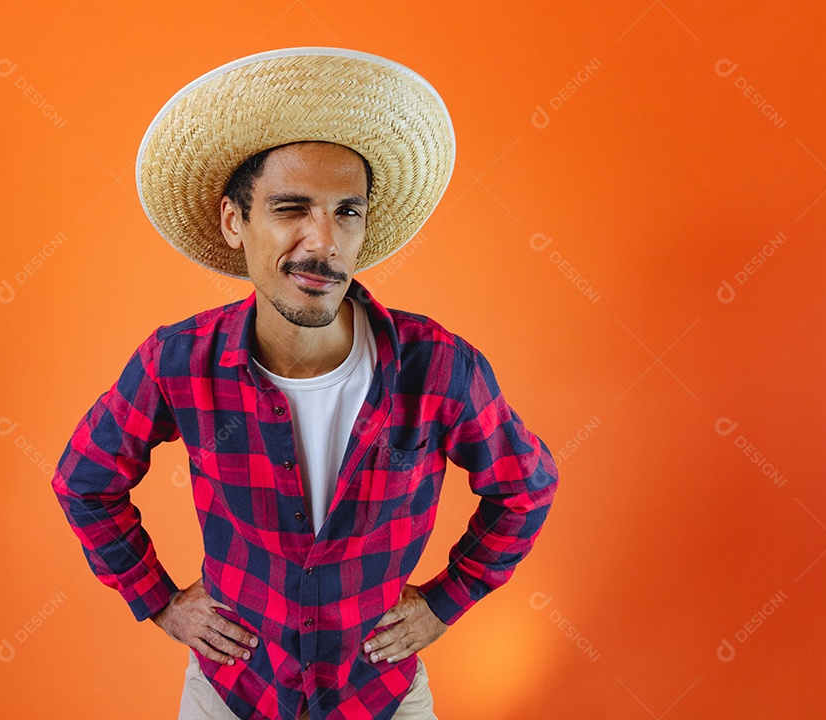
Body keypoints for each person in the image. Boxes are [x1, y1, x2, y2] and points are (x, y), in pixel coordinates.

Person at [51, 47, 559, 720]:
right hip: (232, 694)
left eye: (347, 211)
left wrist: (446, 601)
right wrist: (161, 603)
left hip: (380, 696)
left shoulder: (437, 367)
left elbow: (526, 488)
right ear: (236, 222)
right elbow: (85, 481)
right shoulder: (177, 362)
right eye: (292, 207)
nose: (324, 241)